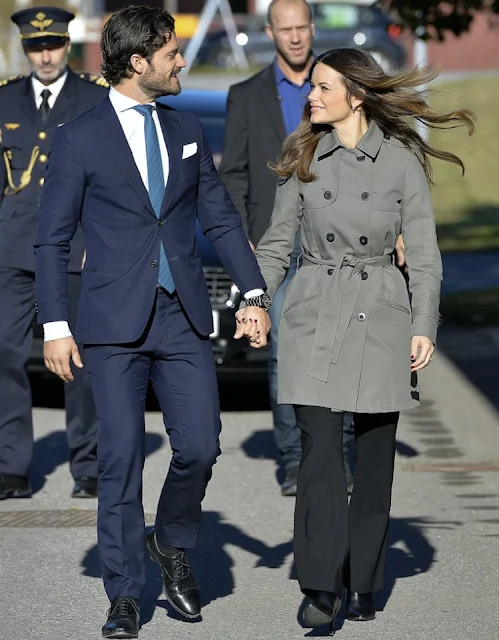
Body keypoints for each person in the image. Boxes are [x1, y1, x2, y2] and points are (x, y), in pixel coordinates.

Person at [34, 6, 270, 638]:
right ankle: (124, 595)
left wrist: (254, 292)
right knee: (119, 460)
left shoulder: (186, 126)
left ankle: (168, 540)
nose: (180, 61)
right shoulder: (81, 137)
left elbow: (219, 218)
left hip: (183, 316)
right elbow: (52, 240)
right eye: (171, 52)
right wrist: (55, 324)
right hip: (110, 325)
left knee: (200, 444)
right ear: (138, 61)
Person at [247, 48, 474, 633]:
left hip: (382, 315)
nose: (311, 96)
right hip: (313, 314)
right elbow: (276, 244)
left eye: (323, 87)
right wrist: (256, 300)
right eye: (311, 87)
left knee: (373, 461)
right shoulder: (304, 156)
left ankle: (364, 576)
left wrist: (424, 324)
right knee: (320, 456)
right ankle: (321, 585)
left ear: (357, 93)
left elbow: (423, 255)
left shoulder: (399, 162)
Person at [220, 0, 353, 496]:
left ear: (312, 29)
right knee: (282, 354)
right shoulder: (246, 95)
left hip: (336, 238)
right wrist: (241, 237)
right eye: (285, 29)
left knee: (338, 348)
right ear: (270, 31)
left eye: (302, 28)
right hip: (272, 240)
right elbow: (232, 172)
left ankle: (339, 455)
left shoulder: (340, 82)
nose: (295, 38)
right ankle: (295, 459)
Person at [0, 6, 109, 501]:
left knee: (78, 364)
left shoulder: (95, 99)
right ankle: (11, 466)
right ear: (25, 49)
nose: (45, 55)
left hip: (75, 250)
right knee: (5, 357)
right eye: (35, 46)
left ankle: (88, 465)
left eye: (53, 45)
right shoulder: (5, 101)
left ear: (67, 44)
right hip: (13, 249)